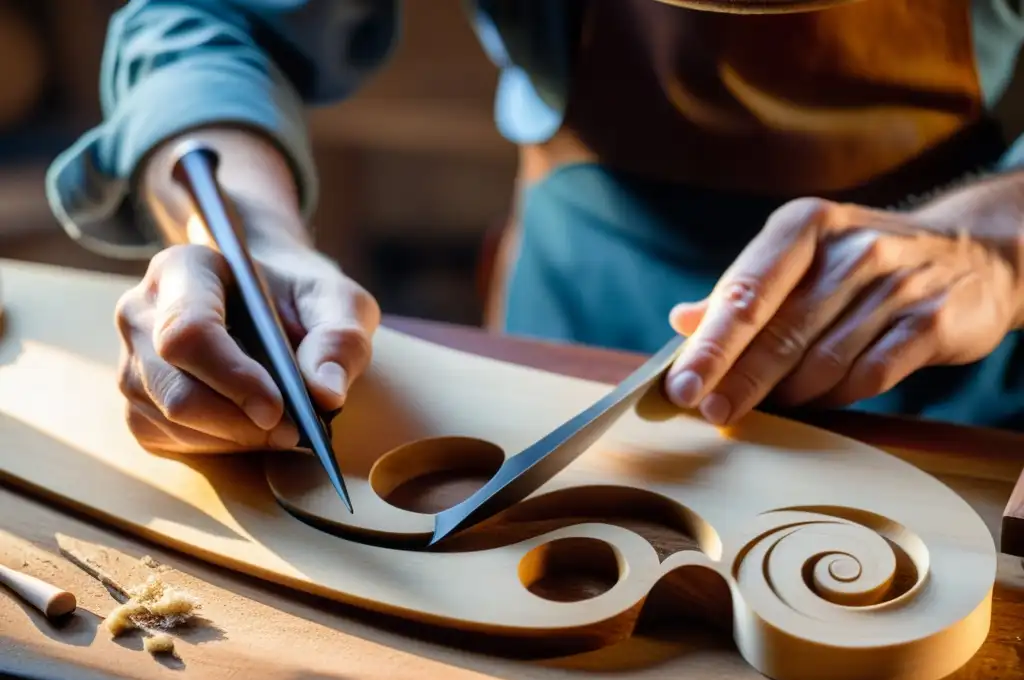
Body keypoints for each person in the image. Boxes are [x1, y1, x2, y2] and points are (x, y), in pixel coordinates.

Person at [46, 0, 1024, 454]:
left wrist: (993, 238)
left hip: (953, 339)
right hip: (573, 323)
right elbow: (208, 17)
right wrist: (242, 236)